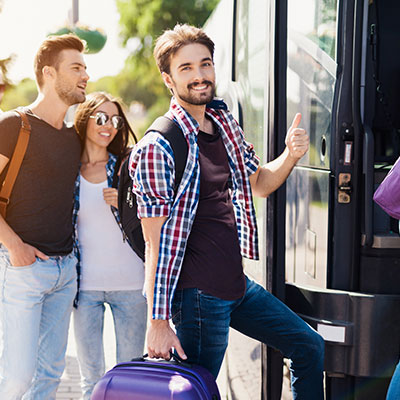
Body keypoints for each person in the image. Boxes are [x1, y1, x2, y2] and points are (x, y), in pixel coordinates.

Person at [129, 24, 325, 399]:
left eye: (205, 64)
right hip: (197, 297)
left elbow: (261, 183)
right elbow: (154, 243)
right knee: (198, 391)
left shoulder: (222, 123)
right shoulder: (159, 145)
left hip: (237, 286)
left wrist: (292, 154)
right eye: (186, 68)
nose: (200, 75)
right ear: (168, 78)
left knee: (309, 346)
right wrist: (157, 321)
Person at [0, 34, 89, 399]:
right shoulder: (12, 126)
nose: (85, 75)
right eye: (77, 67)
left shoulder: (73, 137)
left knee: (49, 376)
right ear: (49, 73)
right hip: (22, 270)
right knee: (16, 379)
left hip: (64, 272)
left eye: (85, 68)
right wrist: (14, 246)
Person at [72, 92, 146, 399]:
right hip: (84, 288)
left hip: (131, 285)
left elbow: (161, 211)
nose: (109, 126)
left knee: (128, 379)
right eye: (100, 118)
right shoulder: (67, 168)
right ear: (84, 120)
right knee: (91, 380)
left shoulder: (129, 163)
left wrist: (130, 205)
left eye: (115, 119)